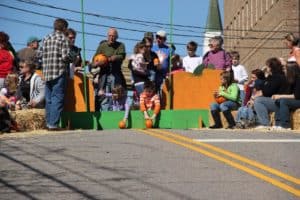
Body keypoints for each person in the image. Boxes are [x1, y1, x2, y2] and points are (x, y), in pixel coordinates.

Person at [40, 18, 70, 131]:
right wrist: (73, 56)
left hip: (47, 73)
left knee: (49, 99)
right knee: (57, 98)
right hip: (58, 72)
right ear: (64, 28)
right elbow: (65, 57)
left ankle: (48, 123)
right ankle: (53, 124)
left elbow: (39, 54)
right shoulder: (63, 39)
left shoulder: (46, 37)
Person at [92, 28, 126, 111]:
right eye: (110, 36)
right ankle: (106, 113)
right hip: (104, 75)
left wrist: (112, 58)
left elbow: (122, 56)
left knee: (115, 94)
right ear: (107, 36)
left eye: (113, 36)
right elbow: (94, 59)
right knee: (104, 95)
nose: (111, 37)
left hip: (115, 73)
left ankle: (115, 113)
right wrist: (96, 63)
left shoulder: (120, 45)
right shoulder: (102, 46)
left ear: (116, 37)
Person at [253, 57, 289, 129]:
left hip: (279, 102)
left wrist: (256, 96)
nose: (266, 67)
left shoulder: (278, 77)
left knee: (258, 101)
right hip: (275, 100)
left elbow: (268, 91)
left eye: (267, 66)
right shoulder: (272, 76)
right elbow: (264, 87)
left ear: (271, 67)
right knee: (256, 100)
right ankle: (255, 121)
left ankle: (265, 124)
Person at [272, 62, 300, 130]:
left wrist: (280, 96)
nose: (284, 70)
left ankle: (285, 125)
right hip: (295, 100)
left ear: (291, 70)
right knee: (278, 100)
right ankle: (278, 123)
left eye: (285, 69)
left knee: (284, 101)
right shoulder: (290, 79)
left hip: (298, 100)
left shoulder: (299, 79)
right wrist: (278, 96)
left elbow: (296, 96)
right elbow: (287, 93)